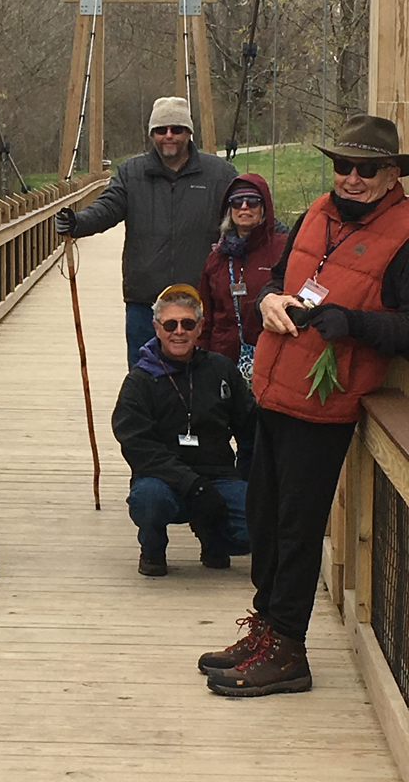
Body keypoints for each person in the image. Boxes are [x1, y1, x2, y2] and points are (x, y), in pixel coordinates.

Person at [200, 115, 409, 697]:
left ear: (392, 174)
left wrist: (357, 324)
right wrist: (267, 299)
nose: (351, 178)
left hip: (326, 404)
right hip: (271, 387)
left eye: (366, 169)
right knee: (264, 517)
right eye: (343, 165)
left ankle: (289, 649)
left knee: (297, 528)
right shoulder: (318, 211)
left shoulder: (406, 233)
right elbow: (278, 275)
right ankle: (265, 628)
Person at [55, 96, 238, 369]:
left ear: (189, 132)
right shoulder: (131, 173)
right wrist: (78, 222)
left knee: (201, 380)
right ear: (152, 134)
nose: (168, 136)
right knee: (144, 378)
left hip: (200, 302)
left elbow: (246, 213)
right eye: (161, 130)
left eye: (176, 129)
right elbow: (108, 207)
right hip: (145, 302)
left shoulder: (220, 175)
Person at [111, 284, 255, 577]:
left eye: (188, 324)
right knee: (149, 500)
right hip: (162, 477)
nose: (179, 331)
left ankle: (212, 536)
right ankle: (152, 547)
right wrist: (193, 485)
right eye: (170, 324)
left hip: (218, 475)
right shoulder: (139, 381)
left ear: (200, 327)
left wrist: (248, 480)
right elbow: (137, 446)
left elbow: (250, 428)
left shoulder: (222, 370)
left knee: (258, 526)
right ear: (156, 327)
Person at [197, 173, 288, 382]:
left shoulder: (283, 248)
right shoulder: (217, 257)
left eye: (252, 201)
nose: (244, 206)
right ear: (229, 209)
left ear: (264, 207)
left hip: (273, 360)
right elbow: (205, 315)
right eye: (237, 201)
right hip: (222, 360)